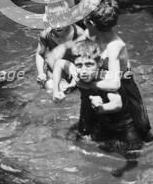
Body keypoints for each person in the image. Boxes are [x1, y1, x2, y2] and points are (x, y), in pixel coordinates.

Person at [53, 0, 153, 144]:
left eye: (84, 21)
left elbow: (115, 84)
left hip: (122, 86)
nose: (83, 24)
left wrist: (86, 85)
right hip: (96, 81)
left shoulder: (115, 46)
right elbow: (76, 61)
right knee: (85, 130)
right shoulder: (90, 35)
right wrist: (70, 83)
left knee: (141, 131)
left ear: (91, 23)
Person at [56, 39, 146, 170]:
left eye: (89, 65)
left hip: (123, 123)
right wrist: (59, 90)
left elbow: (117, 103)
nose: (84, 70)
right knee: (83, 139)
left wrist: (101, 107)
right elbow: (59, 63)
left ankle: (128, 172)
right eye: (79, 65)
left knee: (132, 154)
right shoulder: (78, 72)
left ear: (98, 63)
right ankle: (80, 163)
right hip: (100, 117)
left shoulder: (107, 79)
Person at [35, 7, 85, 90]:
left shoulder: (79, 34)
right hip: (54, 68)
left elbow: (85, 58)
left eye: (61, 21)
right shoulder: (46, 35)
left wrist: (74, 80)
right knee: (49, 86)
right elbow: (40, 54)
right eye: (54, 22)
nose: (57, 26)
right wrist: (41, 73)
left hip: (73, 68)